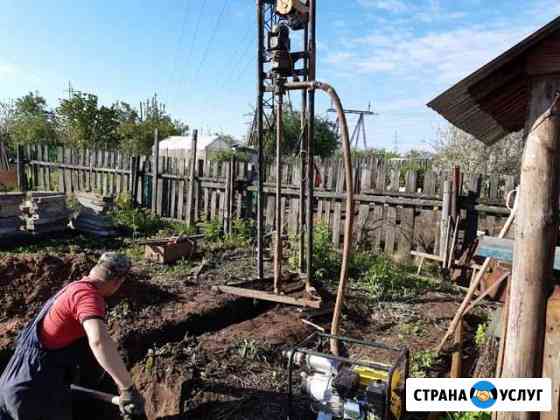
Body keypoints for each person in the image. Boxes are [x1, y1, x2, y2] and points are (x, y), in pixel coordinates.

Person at [0, 253, 145, 420]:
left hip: (11, 385)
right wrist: (128, 388)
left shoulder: (72, 289)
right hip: (35, 394)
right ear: (118, 282)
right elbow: (99, 342)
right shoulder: (88, 297)